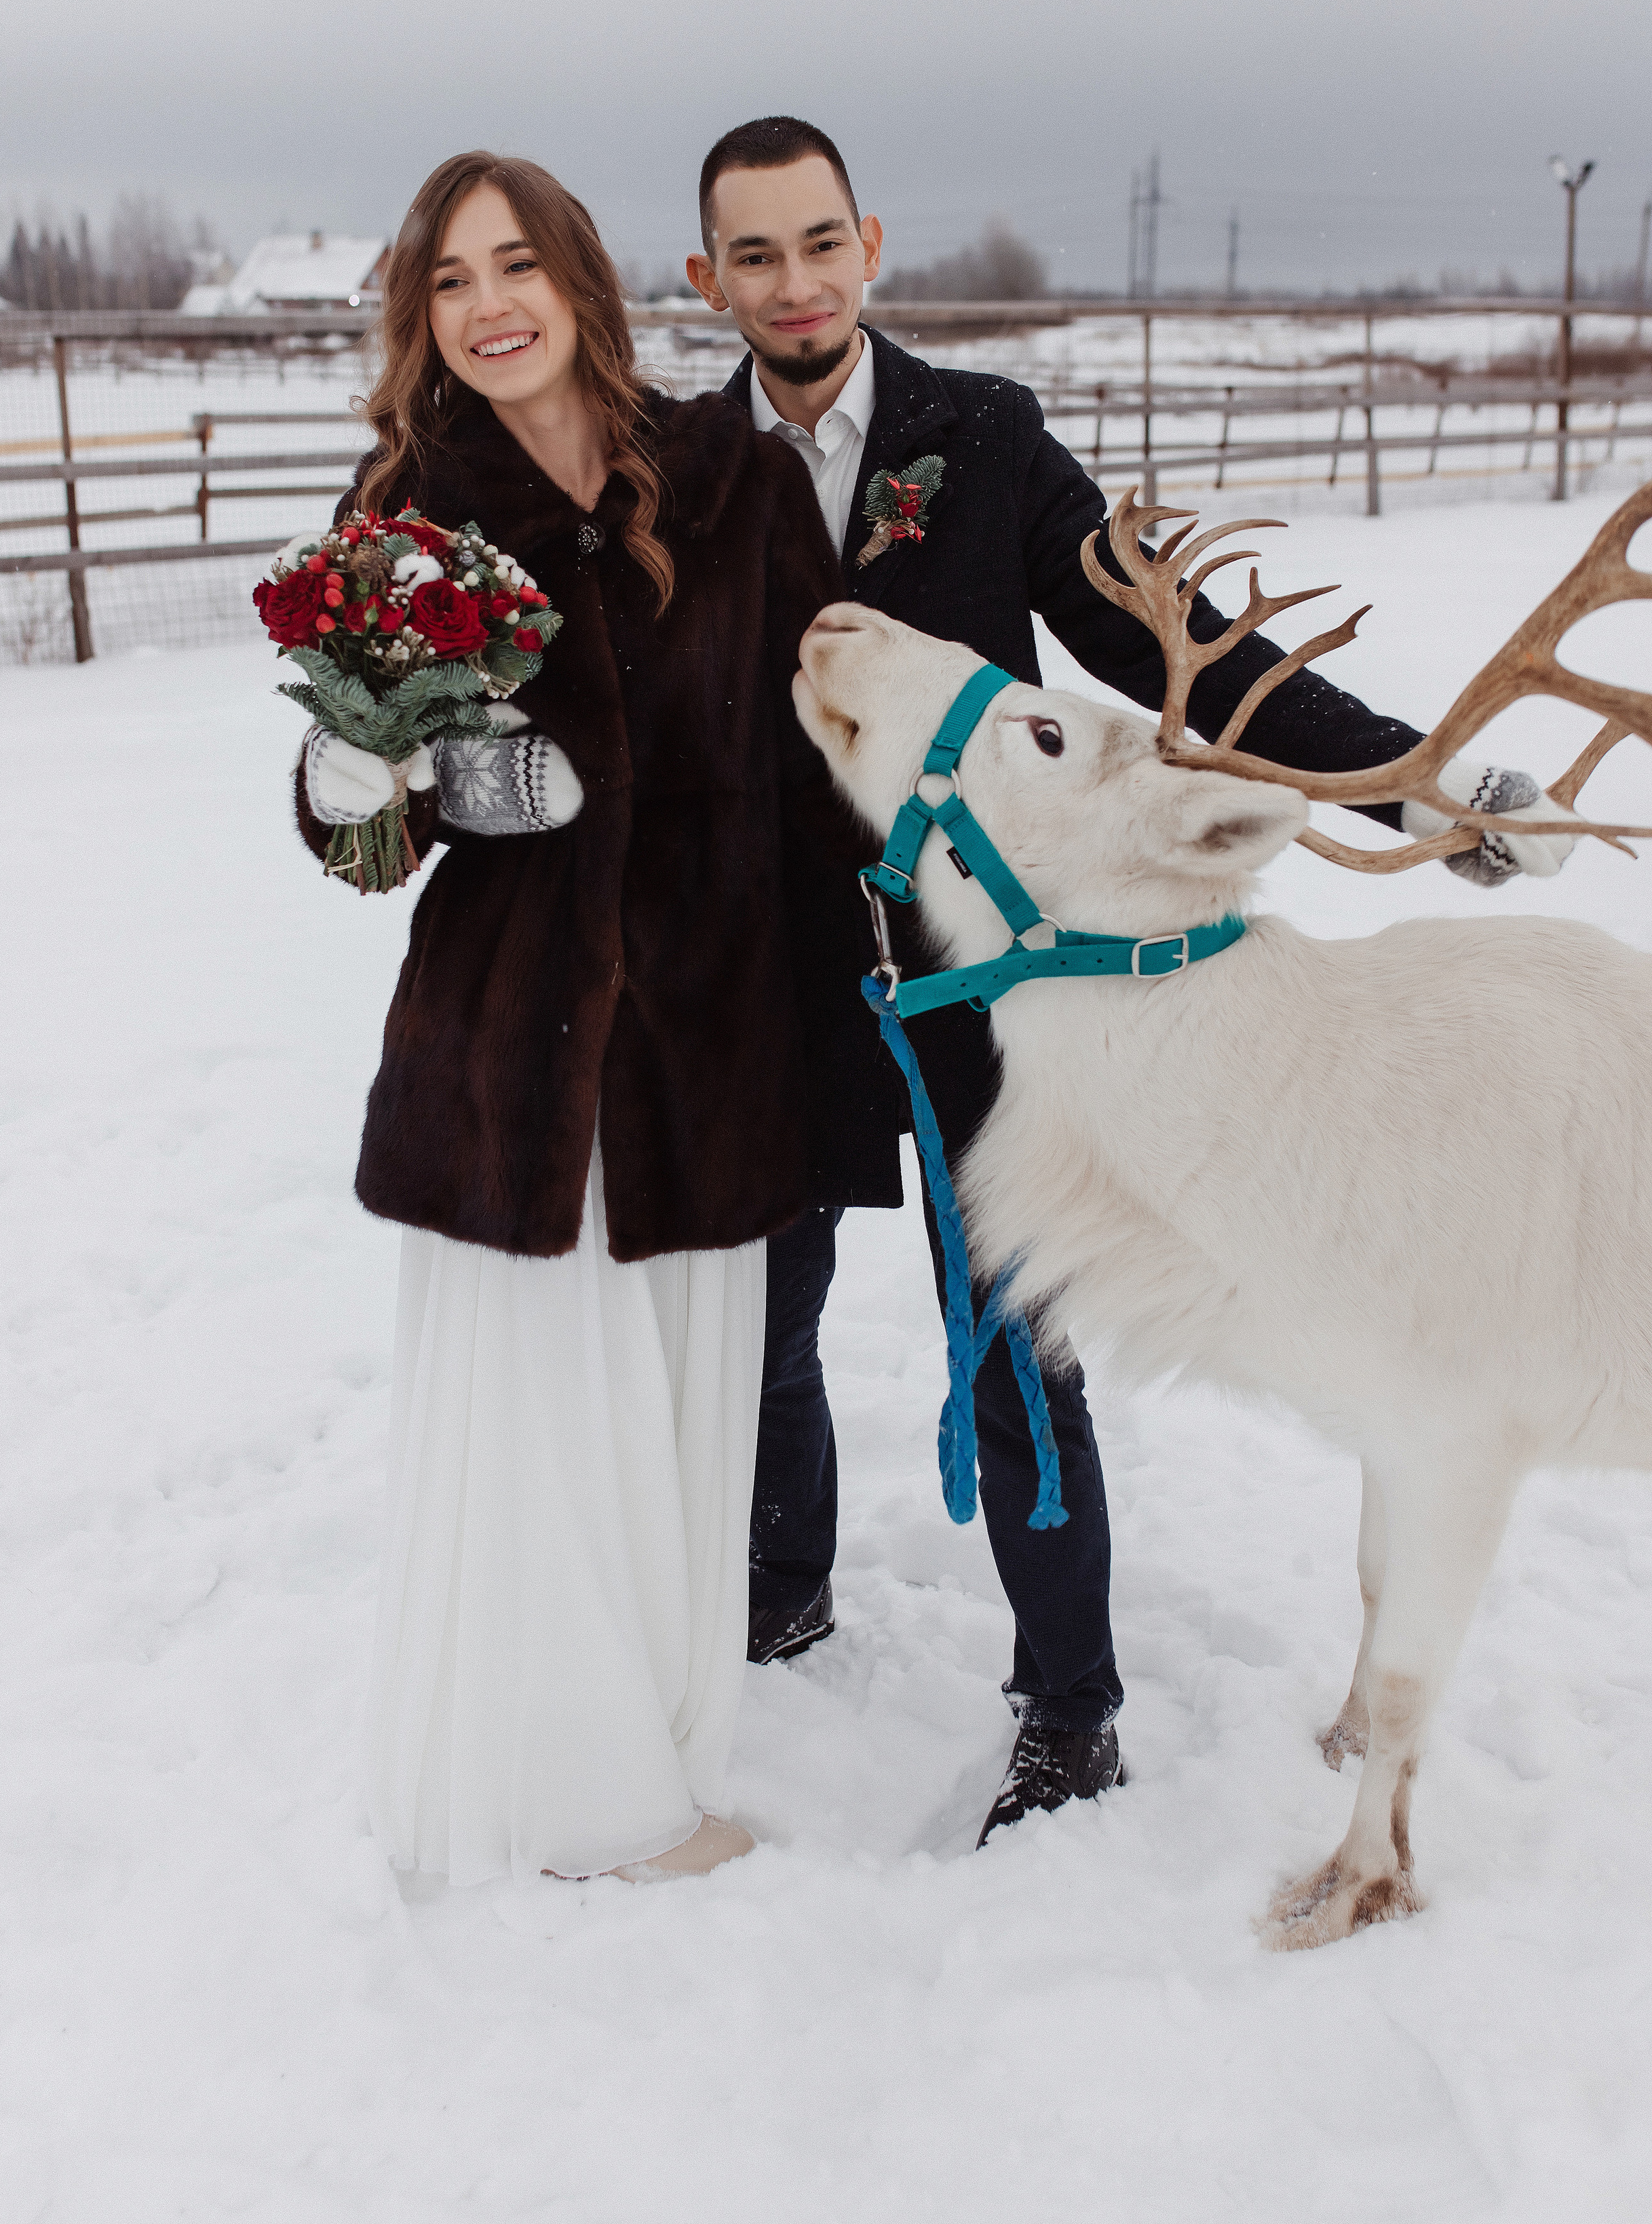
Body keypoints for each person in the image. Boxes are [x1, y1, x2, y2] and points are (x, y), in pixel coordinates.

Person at [685, 113, 1574, 1843]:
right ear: (704, 272)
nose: (791, 284)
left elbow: (1167, 647)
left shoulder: (981, 437)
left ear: (867, 241)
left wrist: (1403, 776)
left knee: (1018, 1349)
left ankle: (1067, 1711)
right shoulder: (675, 464)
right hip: (759, 982)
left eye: (816, 243)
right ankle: (777, 1586)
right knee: (757, 1323)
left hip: (983, 988)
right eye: (751, 253)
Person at [292, 150, 896, 1885]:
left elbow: (814, 768)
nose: (486, 309)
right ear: (421, 319)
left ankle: (656, 1744)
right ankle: (579, 1800)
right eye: (447, 283)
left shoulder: (725, 479)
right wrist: (376, 772)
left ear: (578, 280)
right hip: (518, 1052)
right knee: (544, 1431)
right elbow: (354, 833)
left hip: (711, 1039)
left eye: (512, 268)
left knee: (686, 1415)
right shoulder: (407, 510)